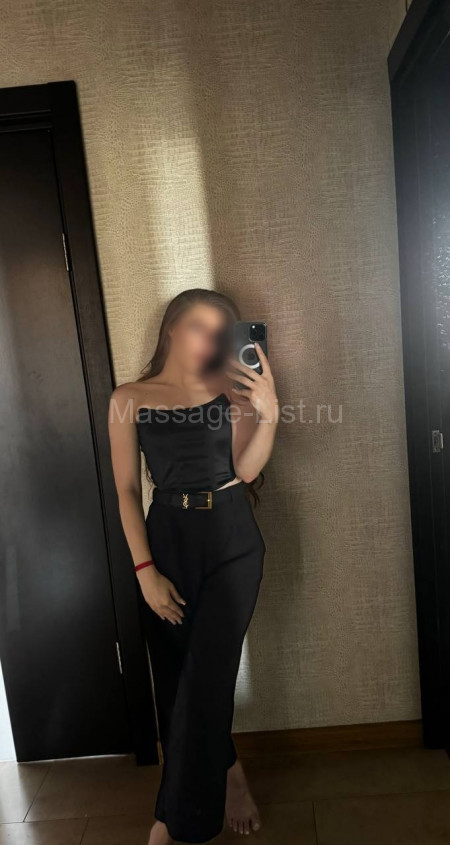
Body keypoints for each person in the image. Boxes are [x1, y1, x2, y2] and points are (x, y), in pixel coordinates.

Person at [109, 288, 278, 843]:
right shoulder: (129, 398)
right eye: (197, 327)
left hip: (232, 540)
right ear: (171, 330)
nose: (208, 340)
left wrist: (269, 414)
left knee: (207, 677)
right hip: (167, 540)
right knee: (178, 680)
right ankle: (230, 772)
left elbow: (246, 471)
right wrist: (145, 571)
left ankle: (173, 822)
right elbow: (127, 491)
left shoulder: (232, 391)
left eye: (218, 331)